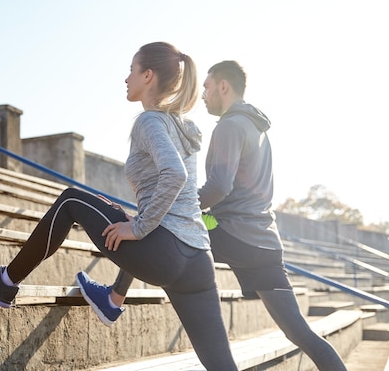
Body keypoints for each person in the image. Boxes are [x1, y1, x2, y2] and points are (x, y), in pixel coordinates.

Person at [0, 43, 239, 371]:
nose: (126, 78)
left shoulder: (150, 122)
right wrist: (138, 218)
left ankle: (5, 282)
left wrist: (138, 227)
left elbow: (175, 175)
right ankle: (11, 282)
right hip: (197, 259)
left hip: (165, 252)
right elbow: (178, 192)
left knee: (71, 199)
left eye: (132, 70)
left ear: (147, 76)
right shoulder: (181, 125)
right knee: (222, 365)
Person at [78, 60, 348, 371]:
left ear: (223, 87)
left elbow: (220, 186)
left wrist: (182, 203)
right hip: (265, 242)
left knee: (160, 224)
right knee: (299, 331)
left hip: (227, 228)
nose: (203, 94)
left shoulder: (230, 125)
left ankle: (113, 299)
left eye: (207, 87)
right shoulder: (258, 127)